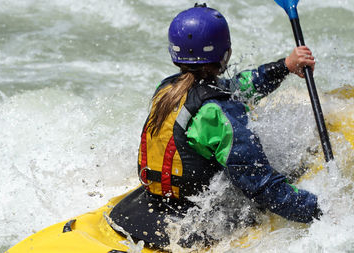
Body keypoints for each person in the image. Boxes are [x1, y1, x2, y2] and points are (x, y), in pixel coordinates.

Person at [110, 3, 322, 250]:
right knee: (299, 166)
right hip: (193, 223)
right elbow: (263, 188)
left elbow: (237, 87)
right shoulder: (218, 113)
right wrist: (322, 209)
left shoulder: (167, 89)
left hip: (150, 207)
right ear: (226, 53)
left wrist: (284, 66)